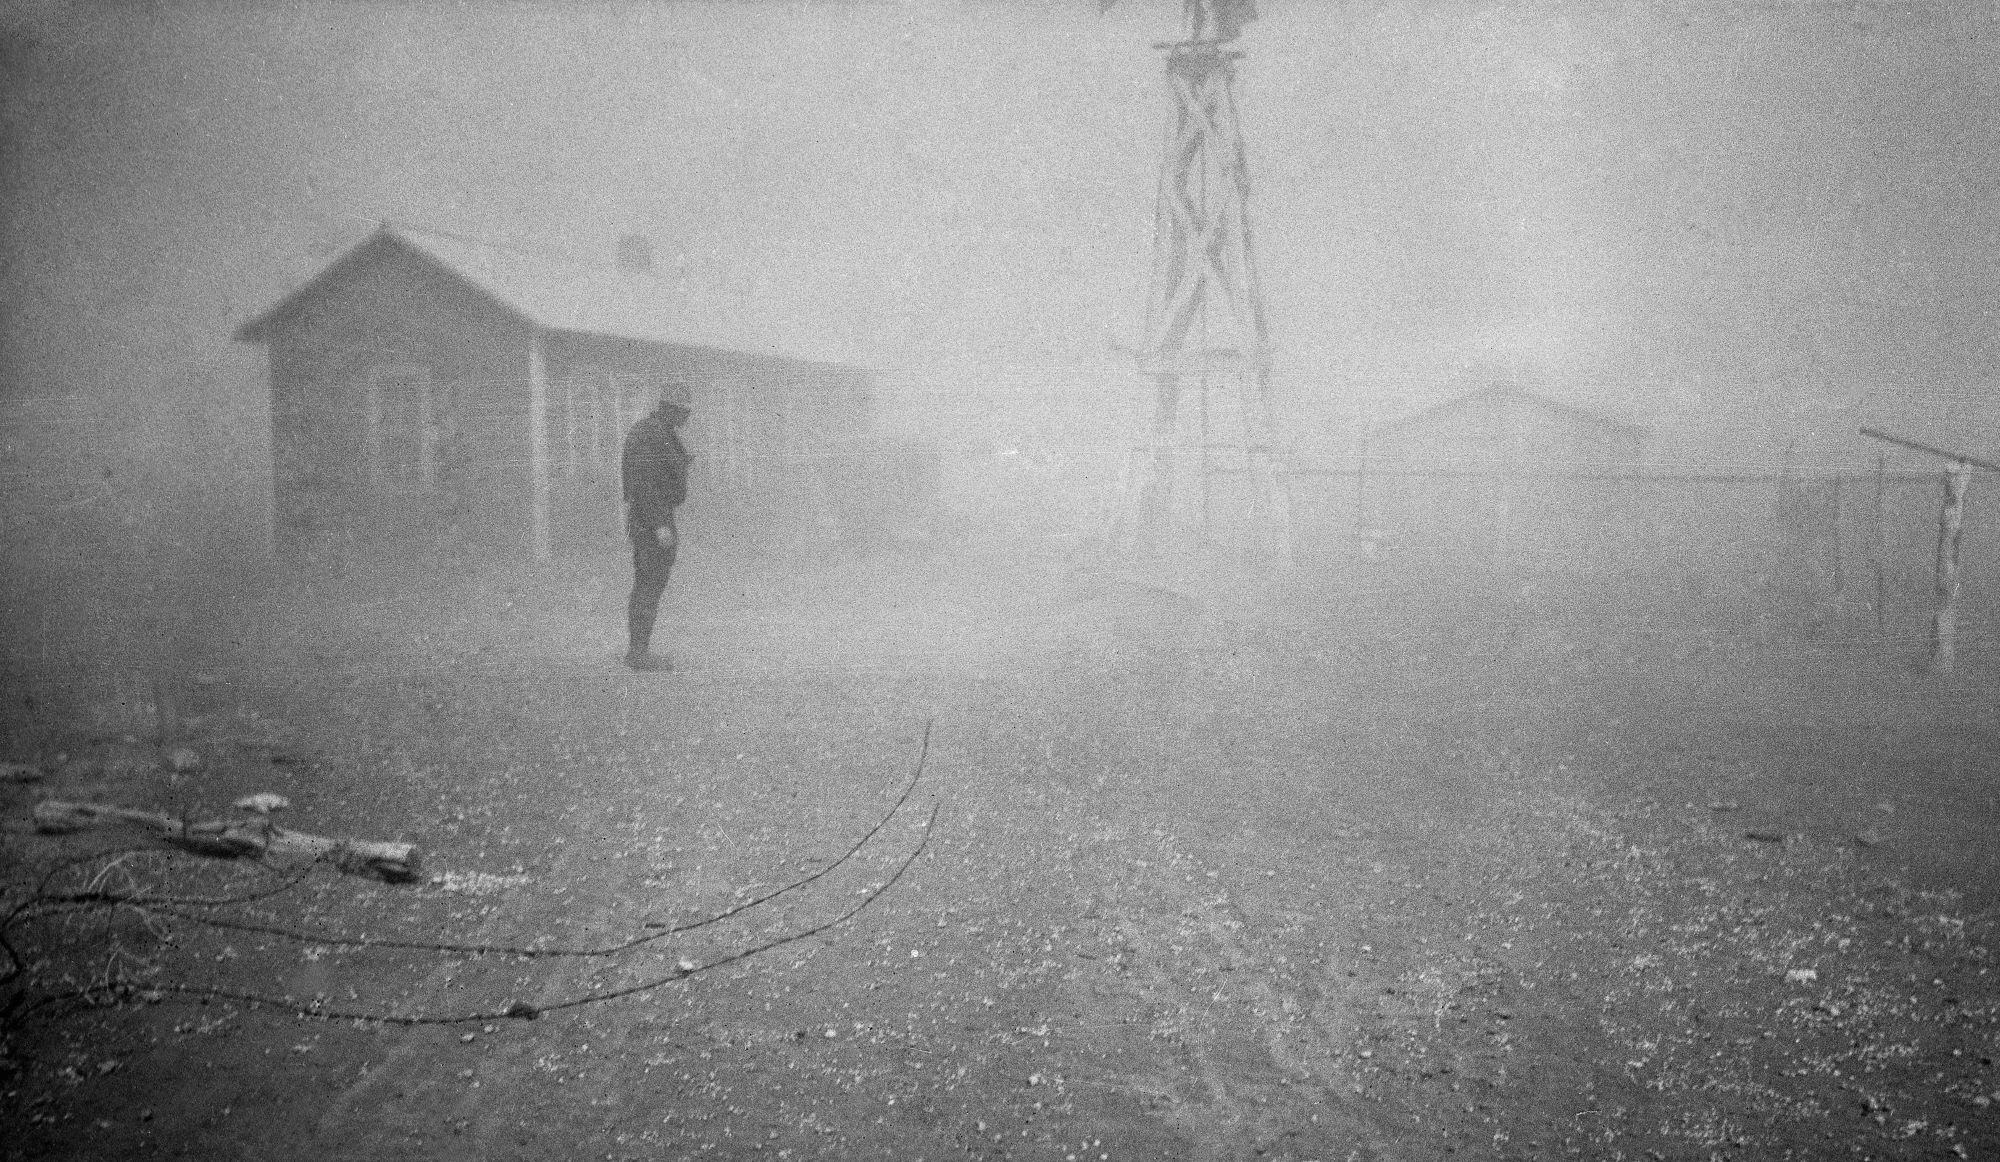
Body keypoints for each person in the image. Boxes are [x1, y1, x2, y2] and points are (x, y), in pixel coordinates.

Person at [620, 387, 692, 671]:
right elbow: (644, 484)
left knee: (651, 586)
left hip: (656, 517)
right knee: (648, 586)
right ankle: (638, 653)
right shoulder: (649, 435)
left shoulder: (660, 432)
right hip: (651, 521)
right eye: (683, 412)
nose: (687, 418)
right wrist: (660, 524)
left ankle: (639, 650)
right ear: (670, 409)